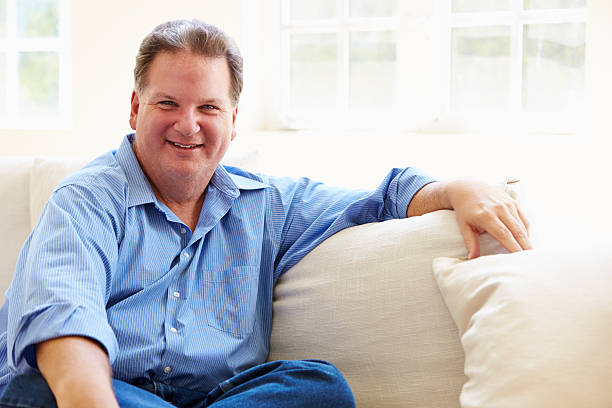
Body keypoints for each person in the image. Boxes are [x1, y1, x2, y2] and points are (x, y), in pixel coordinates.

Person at [0, 19, 531, 408]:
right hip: (90, 394)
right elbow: (65, 331)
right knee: (36, 390)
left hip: (211, 399)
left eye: (208, 108)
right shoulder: (87, 200)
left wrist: (460, 188)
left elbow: (383, 197)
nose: (189, 125)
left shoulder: (268, 205)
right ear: (136, 108)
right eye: (168, 104)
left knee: (320, 389)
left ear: (231, 121)